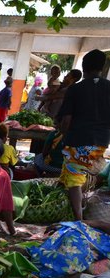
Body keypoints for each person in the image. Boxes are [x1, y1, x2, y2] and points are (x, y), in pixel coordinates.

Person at [58, 49, 110, 221]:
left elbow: (66, 121)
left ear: (84, 67)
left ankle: (79, 220)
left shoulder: (75, 89)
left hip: (79, 138)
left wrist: (64, 136)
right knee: (74, 172)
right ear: (102, 68)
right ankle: (72, 205)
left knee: (74, 178)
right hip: (101, 141)